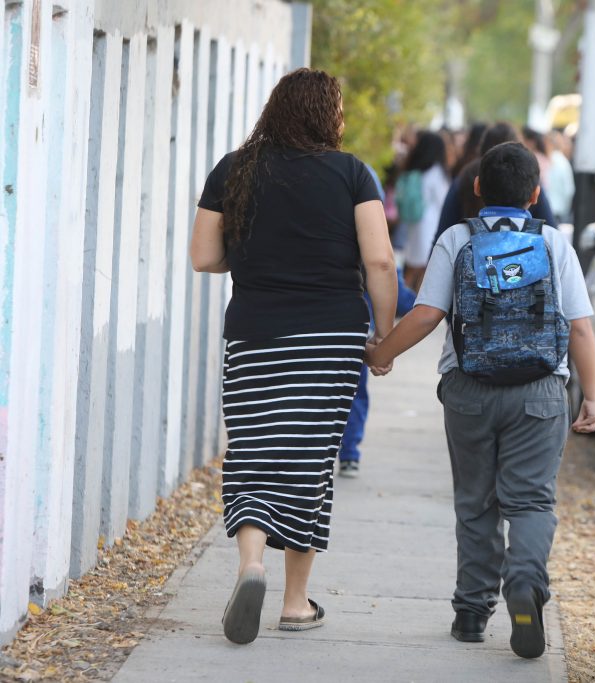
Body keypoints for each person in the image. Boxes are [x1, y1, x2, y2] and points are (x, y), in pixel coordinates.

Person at [366, 142, 595, 659]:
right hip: (540, 393)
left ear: (476, 188)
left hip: (469, 391)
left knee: (476, 504)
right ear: (536, 195)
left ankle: (472, 614)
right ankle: (524, 583)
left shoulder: (457, 238)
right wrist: (594, 398)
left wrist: (381, 353)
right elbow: (581, 329)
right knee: (532, 500)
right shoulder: (555, 243)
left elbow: (428, 315)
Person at [189, 68, 397, 645]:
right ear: (328, 115)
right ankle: (294, 601)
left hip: (254, 331)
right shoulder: (352, 173)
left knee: (253, 451)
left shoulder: (234, 169)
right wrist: (382, 337)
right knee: (307, 462)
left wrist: (259, 250)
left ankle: (250, 566)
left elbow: (205, 258)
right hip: (329, 338)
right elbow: (379, 262)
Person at [336, 163, 418, 477]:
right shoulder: (373, 242)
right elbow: (392, 282)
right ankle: (350, 452)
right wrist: (386, 343)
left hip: (319, 322)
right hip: (358, 332)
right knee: (354, 394)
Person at [433, 123, 556, 245]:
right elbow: (551, 227)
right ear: (535, 194)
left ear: (477, 186)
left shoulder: (464, 178)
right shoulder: (529, 179)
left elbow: (442, 233)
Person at [398, 131, 449, 291]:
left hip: (415, 224)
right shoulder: (436, 172)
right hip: (430, 226)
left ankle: (403, 299)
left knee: (413, 268)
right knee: (425, 270)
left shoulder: (416, 170)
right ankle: (413, 303)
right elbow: (443, 201)